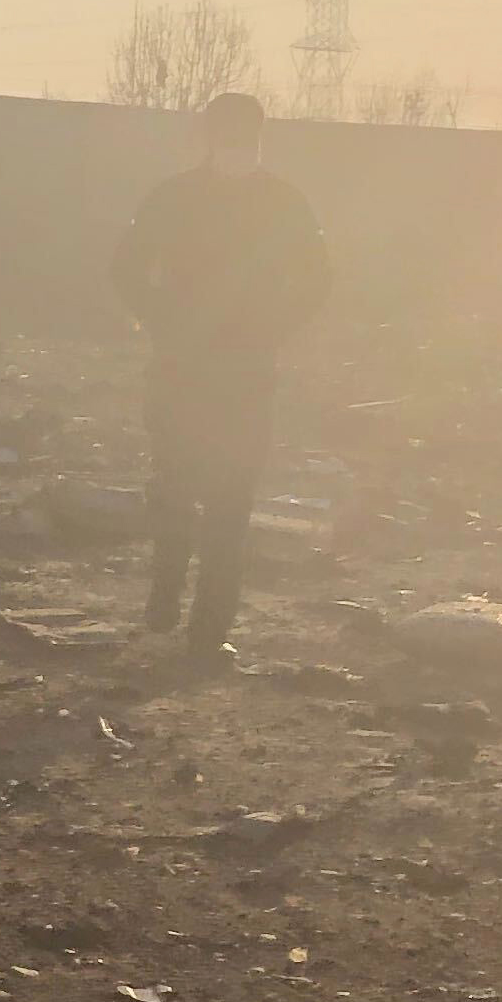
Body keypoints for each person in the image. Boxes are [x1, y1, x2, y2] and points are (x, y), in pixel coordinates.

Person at [111, 91, 329, 669]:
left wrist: (266, 329)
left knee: (216, 501)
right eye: (228, 136)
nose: (235, 147)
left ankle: (199, 629)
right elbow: (127, 268)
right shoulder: (190, 197)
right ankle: (174, 617)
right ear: (213, 137)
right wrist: (166, 324)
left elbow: (316, 280)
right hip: (195, 371)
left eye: (242, 137)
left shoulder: (274, 202)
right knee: (187, 495)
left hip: (233, 372)